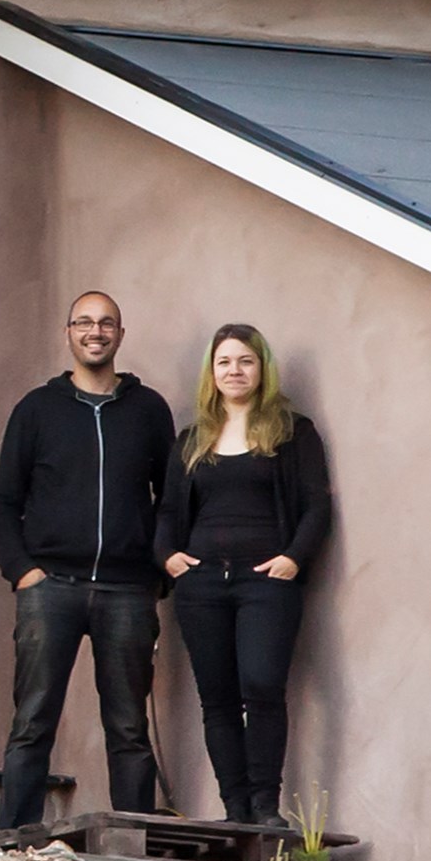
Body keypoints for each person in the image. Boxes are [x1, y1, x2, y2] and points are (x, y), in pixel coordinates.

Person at [0, 289, 175, 833]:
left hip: (127, 591)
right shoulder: (36, 410)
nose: (96, 331)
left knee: (129, 728)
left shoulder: (149, 411)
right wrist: (22, 571)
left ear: (120, 333)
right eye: (84, 322)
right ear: (68, 333)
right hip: (51, 587)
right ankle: (12, 840)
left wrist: (157, 574)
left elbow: (173, 499)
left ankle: (135, 846)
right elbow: (4, 502)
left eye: (106, 323)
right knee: (32, 721)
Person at [161, 322, 333, 824]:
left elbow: (316, 506)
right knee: (216, 697)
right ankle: (234, 809)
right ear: (211, 374)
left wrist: (294, 559)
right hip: (202, 584)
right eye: (224, 363)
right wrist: (168, 557)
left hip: (268, 582)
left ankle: (265, 805)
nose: (234, 371)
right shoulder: (192, 439)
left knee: (261, 685)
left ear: (262, 369)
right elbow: (168, 511)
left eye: (245, 361)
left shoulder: (292, 431)